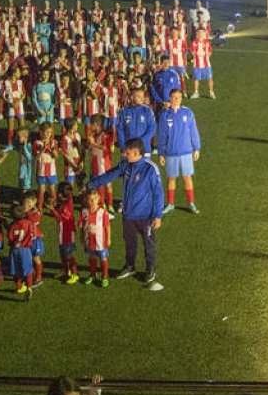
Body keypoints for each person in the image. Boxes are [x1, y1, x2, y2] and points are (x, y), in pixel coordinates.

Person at [88, 138, 165, 291]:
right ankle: (130, 266)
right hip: (128, 215)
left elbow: (158, 193)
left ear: (136, 153)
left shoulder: (150, 169)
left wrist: (157, 216)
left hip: (145, 216)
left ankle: (150, 269)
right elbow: (110, 175)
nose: (124, 154)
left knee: (148, 245)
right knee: (129, 243)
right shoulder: (126, 165)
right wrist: (91, 184)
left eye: (127, 152)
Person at [157, 88, 202, 214]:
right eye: (174, 97)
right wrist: (161, 153)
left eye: (178, 97)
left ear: (181, 99)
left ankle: (191, 203)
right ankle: (171, 203)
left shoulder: (188, 113)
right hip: (171, 153)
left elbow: (194, 131)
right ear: (170, 99)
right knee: (171, 178)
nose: (176, 99)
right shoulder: (165, 116)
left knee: (187, 178)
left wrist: (196, 148)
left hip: (186, 152)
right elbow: (162, 136)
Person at [80, 187, 112, 286]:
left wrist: (108, 238)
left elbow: (107, 226)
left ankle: (105, 277)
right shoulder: (85, 212)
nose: (91, 202)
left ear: (98, 199)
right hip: (90, 241)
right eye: (89, 200)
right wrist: (82, 236)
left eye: (93, 199)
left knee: (103, 258)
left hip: (100, 241)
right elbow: (83, 225)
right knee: (92, 258)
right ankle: (92, 275)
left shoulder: (102, 212)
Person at [116, 87, 156, 161]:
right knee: (128, 172)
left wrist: (141, 141)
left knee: (144, 172)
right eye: (138, 96)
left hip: (144, 149)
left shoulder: (148, 111)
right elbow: (119, 130)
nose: (141, 98)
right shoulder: (123, 111)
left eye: (142, 96)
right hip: (128, 150)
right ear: (131, 97)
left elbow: (152, 128)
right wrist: (123, 147)